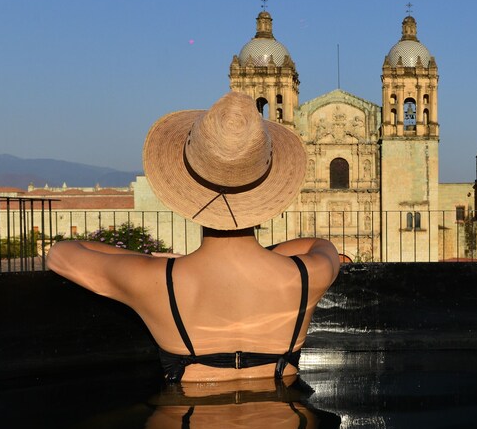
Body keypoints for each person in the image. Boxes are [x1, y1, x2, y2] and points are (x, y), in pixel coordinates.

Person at [48, 92, 340, 383]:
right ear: (267, 190)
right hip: (290, 422)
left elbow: (60, 254)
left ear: (188, 187)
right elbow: (319, 244)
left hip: (187, 424)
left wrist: (150, 261)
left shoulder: (156, 281)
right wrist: (265, 257)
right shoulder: (310, 274)